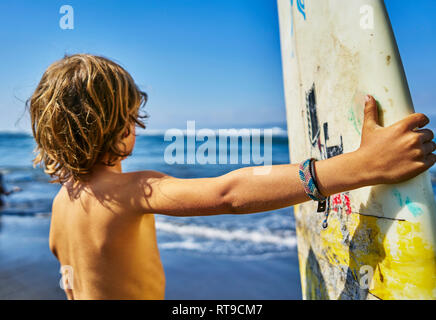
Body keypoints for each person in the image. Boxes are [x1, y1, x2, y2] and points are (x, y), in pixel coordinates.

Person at [27, 54, 436, 300]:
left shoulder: (62, 204)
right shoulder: (129, 191)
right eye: (132, 116)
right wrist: (360, 167)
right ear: (118, 124)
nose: (138, 124)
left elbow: (71, 280)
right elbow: (228, 193)